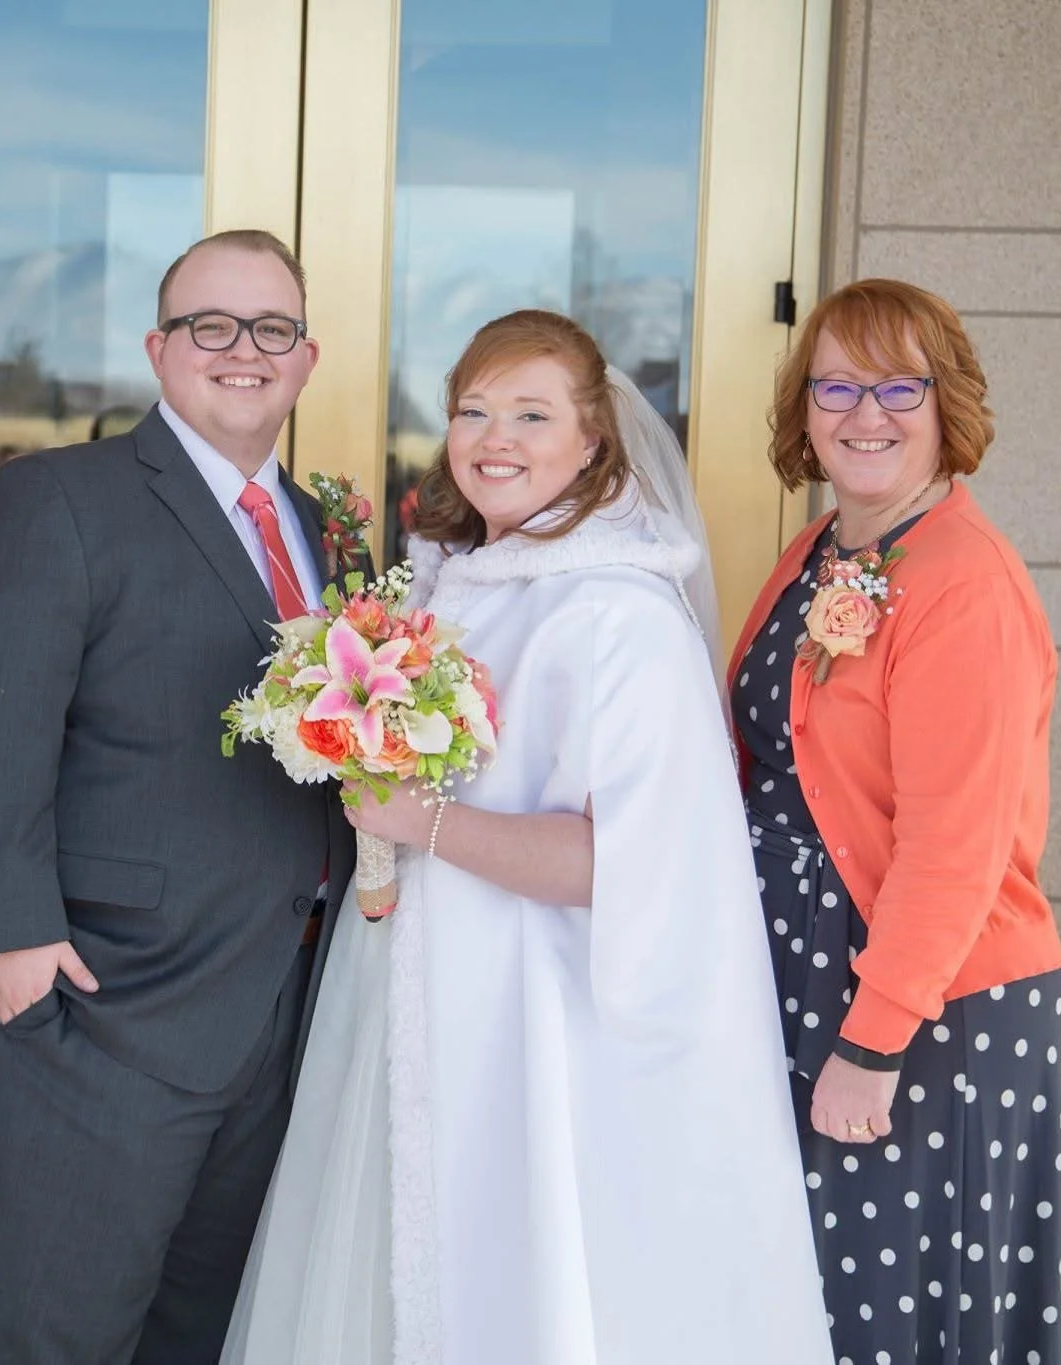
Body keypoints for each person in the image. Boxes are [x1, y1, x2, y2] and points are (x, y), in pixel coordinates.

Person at [222, 310, 833, 1365]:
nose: (492, 438)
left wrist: (418, 819)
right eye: (472, 410)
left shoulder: (615, 616)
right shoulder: (448, 584)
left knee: (514, 1288)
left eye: (531, 414)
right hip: (419, 1002)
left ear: (592, 440)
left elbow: (619, 862)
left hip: (537, 1029)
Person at [0, 228, 357, 1364]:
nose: (242, 351)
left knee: (204, 1330)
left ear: (306, 359)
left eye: (271, 329)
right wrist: (6, 940)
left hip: (283, 1010)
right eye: (211, 325)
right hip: (99, 1008)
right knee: (59, 1332)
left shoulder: (328, 534)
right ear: (159, 351)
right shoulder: (61, 498)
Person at [732, 277, 1061, 1364]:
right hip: (804, 976)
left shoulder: (958, 581)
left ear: (946, 408)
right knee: (809, 1306)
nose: (862, 413)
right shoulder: (818, 553)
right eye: (834, 385)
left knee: (897, 1318)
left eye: (896, 386)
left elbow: (953, 847)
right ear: (802, 411)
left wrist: (872, 1042)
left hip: (922, 1010)